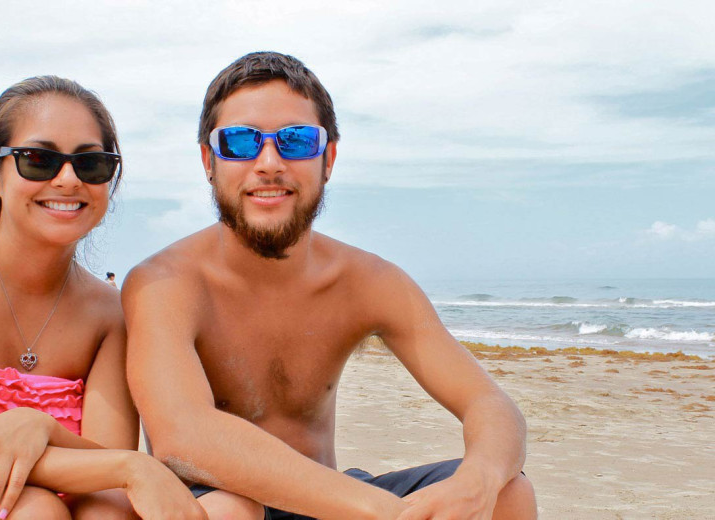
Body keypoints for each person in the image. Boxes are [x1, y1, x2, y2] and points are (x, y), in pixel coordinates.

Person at [124, 52, 537, 519]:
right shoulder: (164, 283)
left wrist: (478, 480)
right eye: (240, 142)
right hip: (221, 501)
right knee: (229, 511)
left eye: (296, 140)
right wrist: (381, 510)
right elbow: (184, 435)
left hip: (338, 503)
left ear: (329, 158)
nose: (269, 162)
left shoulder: (368, 282)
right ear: (208, 160)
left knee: (509, 494)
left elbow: (490, 403)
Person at [0, 76, 206, 520]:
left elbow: (105, 477)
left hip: (64, 511)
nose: (68, 180)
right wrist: (132, 466)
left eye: (91, 164)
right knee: (34, 509)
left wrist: (39, 426)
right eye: (38, 159)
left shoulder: (110, 314)